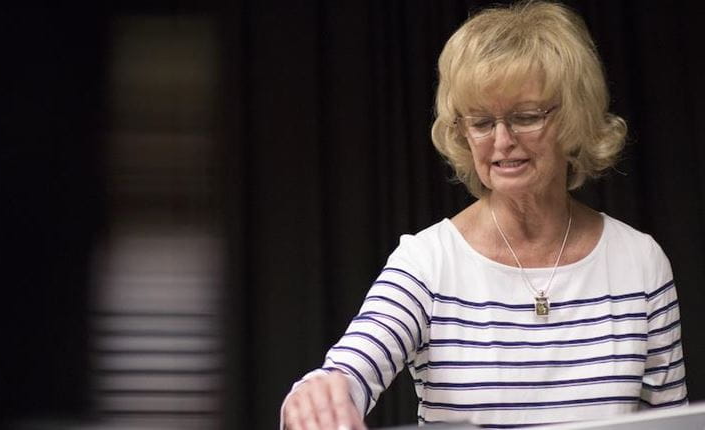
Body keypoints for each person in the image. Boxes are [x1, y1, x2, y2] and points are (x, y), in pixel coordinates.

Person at [280, 1, 687, 429]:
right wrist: (318, 395)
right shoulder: (427, 263)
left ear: (575, 117)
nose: (502, 140)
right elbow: (349, 372)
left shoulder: (641, 262)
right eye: (480, 122)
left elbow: (671, 422)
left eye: (525, 117)